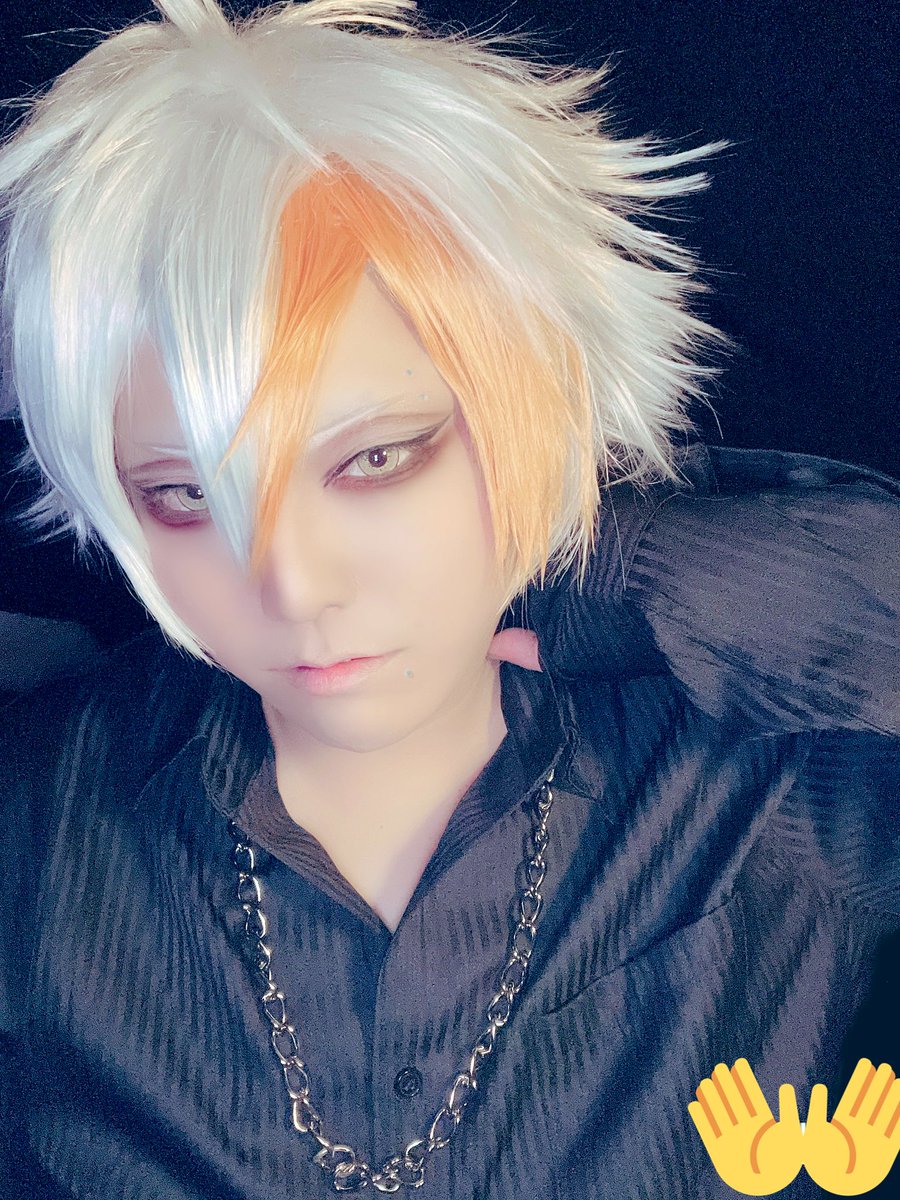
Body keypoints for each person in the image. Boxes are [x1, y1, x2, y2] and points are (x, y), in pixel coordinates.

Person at [0, 1, 897, 1197]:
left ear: (535, 404)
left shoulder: (772, 786)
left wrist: (599, 555)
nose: (292, 586)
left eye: (376, 458)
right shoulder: (40, 825)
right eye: (184, 496)